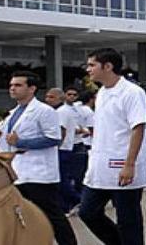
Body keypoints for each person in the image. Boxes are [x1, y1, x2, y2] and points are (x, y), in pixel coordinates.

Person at [79, 48, 146, 245]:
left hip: (122, 165)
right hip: (100, 166)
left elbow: (138, 127)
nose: (88, 69)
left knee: (129, 221)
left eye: (92, 65)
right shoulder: (102, 93)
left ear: (108, 66)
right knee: (87, 212)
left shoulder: (132, 92)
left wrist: (129, 164)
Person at [0, 71, 77, 245]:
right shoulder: (13, 113)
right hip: (19, 171)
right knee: (23, 216)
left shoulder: (44, 111)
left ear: (32, 88)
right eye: (11, 85)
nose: (12, 88)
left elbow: (54, 138)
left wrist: (22, 142)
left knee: (51, 214)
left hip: (39, 173)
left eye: (18, 85)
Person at [56, 86, 84, 216]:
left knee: (62, 179)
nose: (71, 97)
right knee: (64, 178)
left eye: (74, 95)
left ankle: (77, 200)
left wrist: (57, 145)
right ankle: (66, 205)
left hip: (63, 148)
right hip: (69, 146)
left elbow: (62, 130)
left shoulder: (62, 111)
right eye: (69, 94)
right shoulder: (69, 111)